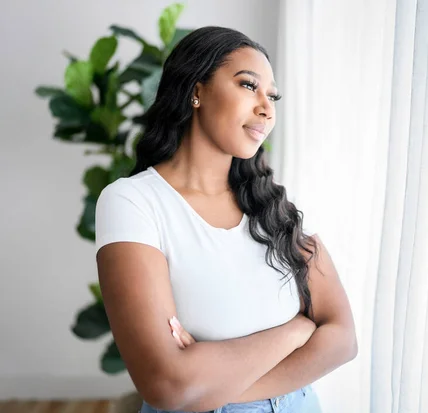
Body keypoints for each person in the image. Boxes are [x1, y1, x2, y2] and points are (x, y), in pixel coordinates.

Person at [95, 26, 357, 413]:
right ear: (195, 91)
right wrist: (298, 330)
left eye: (272, 95)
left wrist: (210, 382)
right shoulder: (133, 201)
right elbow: (167, 385)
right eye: (249, 86)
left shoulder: (273, 205)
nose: (266, 107)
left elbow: (343, 339)